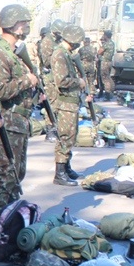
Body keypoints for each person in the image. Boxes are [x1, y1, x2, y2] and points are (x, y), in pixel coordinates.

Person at [0, 5, 39, 224]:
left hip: (19, 120)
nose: (26, 27)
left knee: (17, 172)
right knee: (7, 173)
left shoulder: (13, 52)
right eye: (24, 23)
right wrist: (28, 80)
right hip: (8, 120)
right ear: (15, 25)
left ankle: (9, 222)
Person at [49, 23, 86, 186]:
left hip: (70, 103)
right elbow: (61, 81)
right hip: (65, 104)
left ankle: (66, 167)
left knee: (70, 136)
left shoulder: (66, 53)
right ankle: (60, 173)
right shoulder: (60, 54)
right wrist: (79, 82)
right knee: (65, 137)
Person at [98, 30, 116, 100]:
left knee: (105, 79)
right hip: (109, 62)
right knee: (108, 77)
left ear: (106, 36)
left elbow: (99, 52)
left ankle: (107, 95)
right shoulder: (112, 43)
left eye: (104, 35)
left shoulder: (106, 44)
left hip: (104, 62)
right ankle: (111, 91)